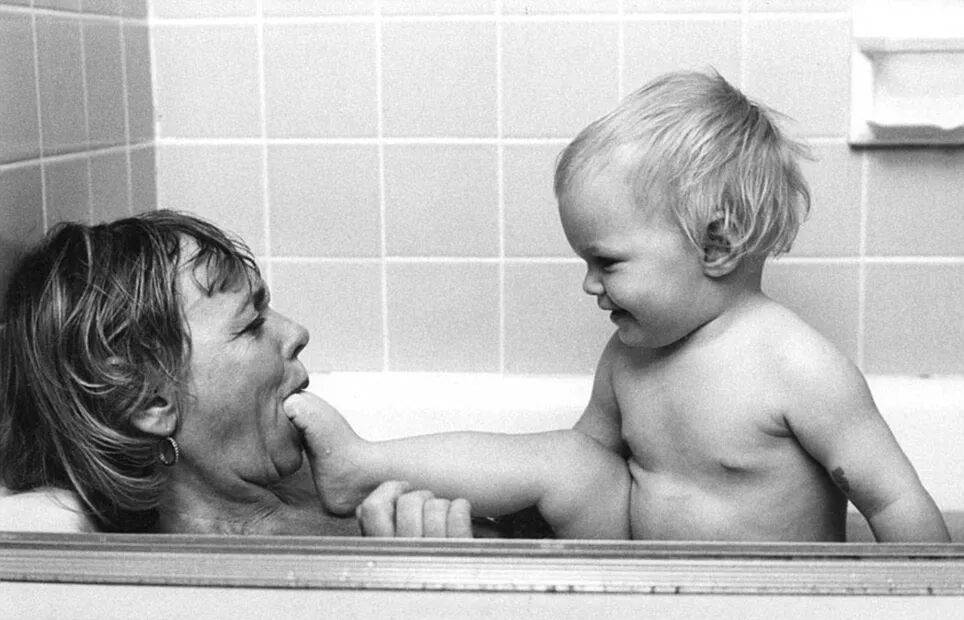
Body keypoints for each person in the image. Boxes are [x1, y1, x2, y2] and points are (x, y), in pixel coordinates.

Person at [285, 70, 951, 542]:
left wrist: (927, 600)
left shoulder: (795, 366)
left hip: (764, 598)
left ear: (715, 246)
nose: (589, 284)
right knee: (566, 458)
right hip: (632, 574)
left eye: (606, 261)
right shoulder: (629, 357)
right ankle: (362, 466)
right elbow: (580, 469)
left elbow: (894, 501)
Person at [0, 210, 470, 537]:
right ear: (150, 399)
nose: (297, 332)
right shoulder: (229, 578)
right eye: (250, 324)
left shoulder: (312, 480)